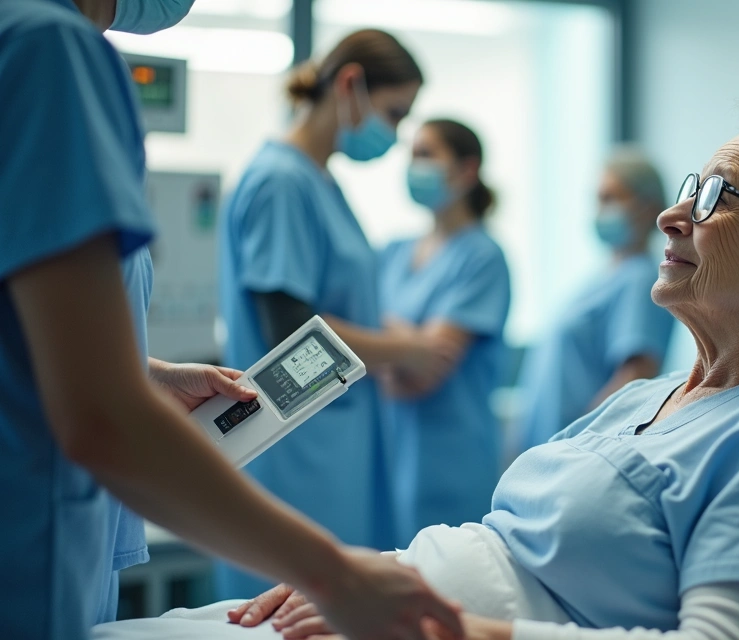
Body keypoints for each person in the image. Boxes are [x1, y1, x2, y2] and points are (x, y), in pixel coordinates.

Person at [192, 101, 739, 640]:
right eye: (692, 186)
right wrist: (361, 579)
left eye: (717, 197)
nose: (670, 214)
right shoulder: (648, 399)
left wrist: (442, 621)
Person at [0, 1, 461, 639]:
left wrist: (144, 372)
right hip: (37, 515)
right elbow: (106, 413)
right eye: (395, 115)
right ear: (350, 84)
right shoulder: (48, 49)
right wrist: (336, 577)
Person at [215, 29, 465, 599]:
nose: (395, 134)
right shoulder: (281, 182)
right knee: (289, 609)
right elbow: (294, 335)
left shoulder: (319, 181)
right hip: (299, 452)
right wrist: (407, 350)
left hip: (335, 443)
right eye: (394, 113)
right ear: (350, 84)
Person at [380, 119, 511, 540]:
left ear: (466, 170)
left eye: (426, 153)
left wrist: (373, 344)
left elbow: (423, 373)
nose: (413, 164)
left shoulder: (482, 258)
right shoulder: (393, 252)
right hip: (389, 454)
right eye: (412, 154)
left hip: (448, 462)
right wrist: (404, 346)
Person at [513, 148, 674, 453]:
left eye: (611, 198)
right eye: (598, 199)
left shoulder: (640, 279)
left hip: (576, 453)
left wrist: (579, 445)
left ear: (647, 206)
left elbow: (635, 377)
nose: (601, 210)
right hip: (550, 450)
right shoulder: (600, 280)